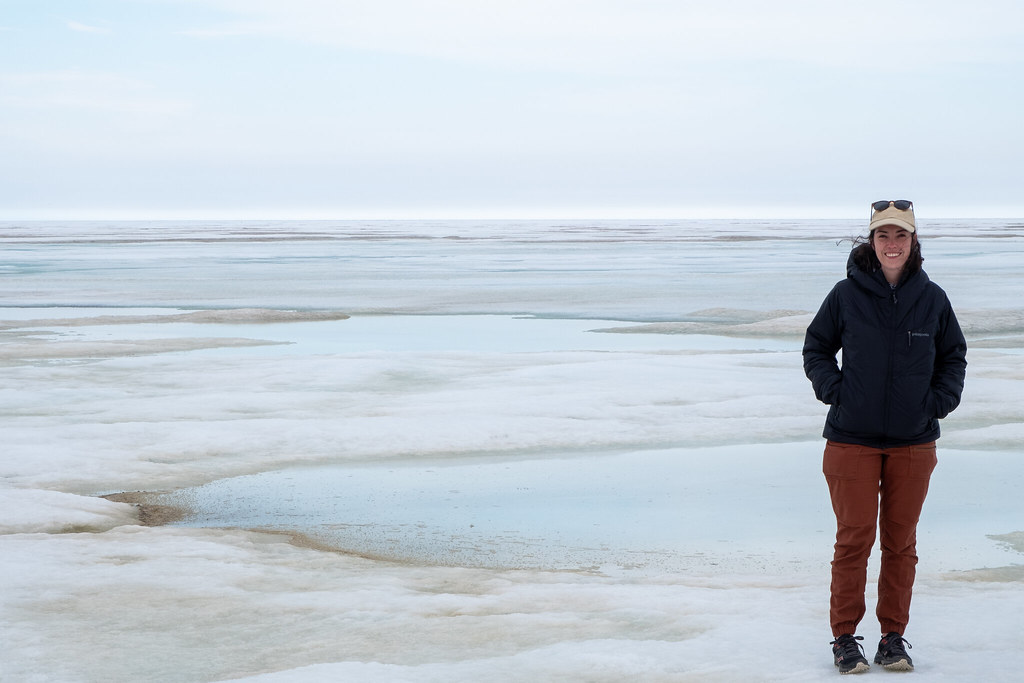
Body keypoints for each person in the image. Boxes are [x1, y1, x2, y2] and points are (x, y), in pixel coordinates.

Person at [802, 200, 967, 675]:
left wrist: (937, 401)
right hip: (851, 438)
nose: (892, 245)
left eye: (901, 236)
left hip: (913, 440)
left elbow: (953, 356)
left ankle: (892, 638)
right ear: (871, 244)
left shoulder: (932, 298)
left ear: (914, 243)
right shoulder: (844, 295)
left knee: (900, 542)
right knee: (854, 541)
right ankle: (844, 639)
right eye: (883, 236)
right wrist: (836, 391)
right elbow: (816, 347)